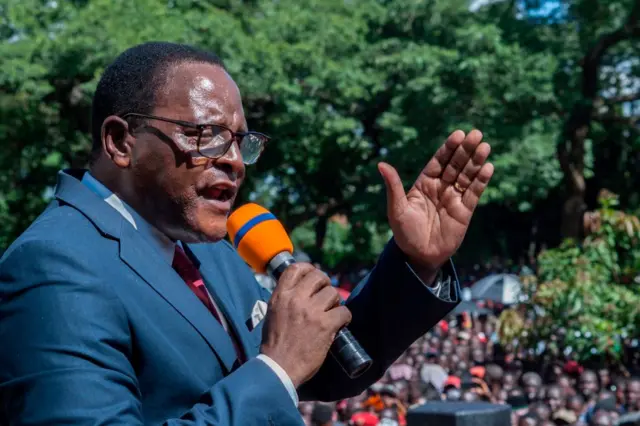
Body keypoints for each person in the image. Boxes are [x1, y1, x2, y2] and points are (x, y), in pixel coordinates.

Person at [0, 42, 494, 425]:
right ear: (120, 141)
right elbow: (278, 372)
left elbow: (314, 362)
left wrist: (415, 262)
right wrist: (274, 370)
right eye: (205, 135)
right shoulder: (52, 266)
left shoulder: (206, 247)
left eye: (240, 141)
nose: (234, 161)